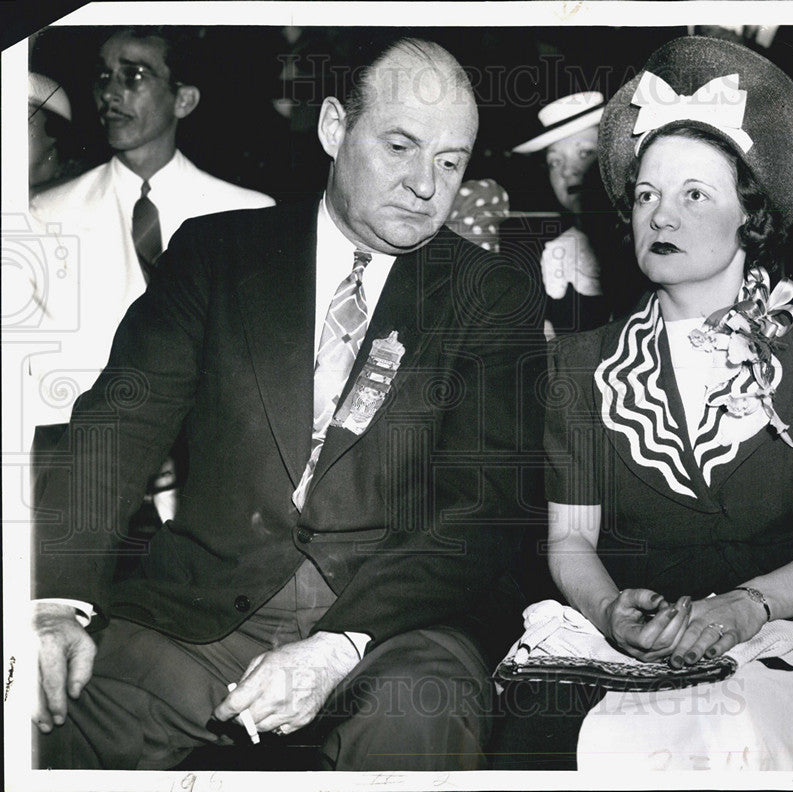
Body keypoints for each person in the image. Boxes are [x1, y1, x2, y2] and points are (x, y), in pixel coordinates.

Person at [31, 36, 545, 770]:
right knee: (46, 716)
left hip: (398, 626)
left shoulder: (492, 297)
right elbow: (117, 427)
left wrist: (339, 646)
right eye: (401, 146)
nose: (427, 185)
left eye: (451, 162)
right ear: (335, 128)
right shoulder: (216, 254)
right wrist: (54, 601)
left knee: (413, 730)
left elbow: (487, 506)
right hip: (199, 615)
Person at [493, 36, 793, 771]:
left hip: (779, 632)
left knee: (735, 740)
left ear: (751, 215)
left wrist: (748, 605)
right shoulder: (581, 365)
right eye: (647, 195)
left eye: (694, 194)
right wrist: (610, 611)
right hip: (627, 653)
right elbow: (570, 541)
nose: (661, 217)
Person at [27, 27, 275, 432]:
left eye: (134, 75)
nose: (110, 93)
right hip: (90, 451)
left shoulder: (249, 215)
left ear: (184, 99)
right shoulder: (46, 214)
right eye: (103, 77)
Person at [513, 91, 613, 340]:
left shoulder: (648, 243)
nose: (568, 171)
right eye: (555, 162)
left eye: (585, 153)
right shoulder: (552, 257)